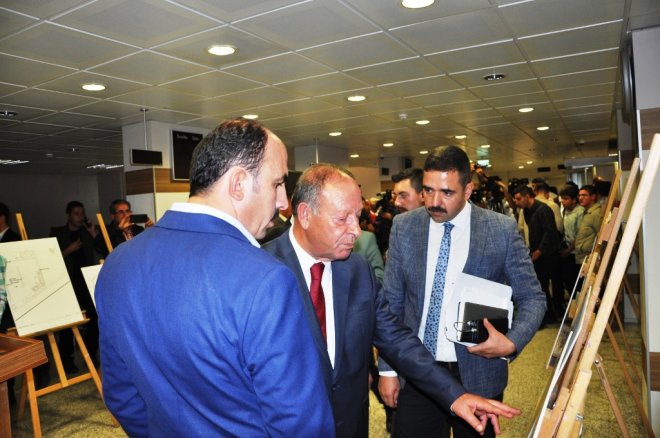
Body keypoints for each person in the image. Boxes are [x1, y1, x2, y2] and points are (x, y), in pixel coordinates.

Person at [95, 119, 335, 437]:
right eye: (278, 184)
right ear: (238, 184)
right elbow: (300, 422)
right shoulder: (266, 279)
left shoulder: (117, 263)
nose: (283, 202)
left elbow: (122, 396)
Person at [264, 163, 521, 438]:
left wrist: (456, 396)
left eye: (357, 216)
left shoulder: (356, 270)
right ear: (305, 214)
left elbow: (397, 339)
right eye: (342, 219)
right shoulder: (260, 270)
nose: (356, 230)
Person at [378, 146, 546, 438]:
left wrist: (511, 342)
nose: (434, 202)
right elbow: (392, 302)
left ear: (468, 190)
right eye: (428, 190)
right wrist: (388, 369)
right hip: (418, 369)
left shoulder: (500, 230)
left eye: (447, 192)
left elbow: (532, 297)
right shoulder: (405, 227)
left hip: (478, 372)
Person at [50, 200, 100, 372]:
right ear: (68, 215)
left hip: (86, 283)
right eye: (76, 214)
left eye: (82, 213)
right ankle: (67, 361)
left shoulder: (87, 232)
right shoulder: (57, 234)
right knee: (67, 324)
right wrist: (68, 250)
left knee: (93, 319)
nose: (80, 217)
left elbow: (101, 249)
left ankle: (91, 355)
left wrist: (93, 233)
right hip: (68, 284)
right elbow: (49, 260)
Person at [513, 186, 562, 322]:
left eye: (518, 199)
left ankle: (553, 314)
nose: (516, 202)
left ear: (527, 197)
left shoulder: (544, 209)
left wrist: (539, 251)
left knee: (551, 285)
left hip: (549, 254)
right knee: (541, 286)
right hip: (537, 253)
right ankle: (547, 315)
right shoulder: (526, 210)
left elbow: (549, 232)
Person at [558, 185, 584, 296]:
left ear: (574, 200)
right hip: (567, 249)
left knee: (576, 281)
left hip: (576, 252)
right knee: (567, 280)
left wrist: (568, 250)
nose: (562, 201)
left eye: (566, 198)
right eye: (562, 198)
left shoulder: (580, 212)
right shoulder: (565, 211)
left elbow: (579, 234)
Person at [574, 185, 603, 268]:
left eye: (584, 195)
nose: (580, 198)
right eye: (579, 195)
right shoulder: (587, 211)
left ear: (593, 197)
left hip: (589, 258)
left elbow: (601, 235)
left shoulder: (596, 213)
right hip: (582, 257)